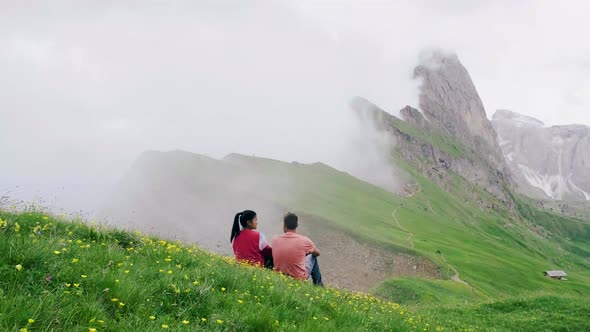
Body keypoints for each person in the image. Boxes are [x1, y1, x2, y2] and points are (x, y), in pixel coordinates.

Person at [271, 213, 323, 286]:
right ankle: (319, 286)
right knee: (313, 257)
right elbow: (317, 253)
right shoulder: (304, 241)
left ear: (284, 226)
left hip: (279, 276)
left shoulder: (275, 239)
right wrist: (306, 253)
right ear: (297, 225)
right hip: (298, 278)